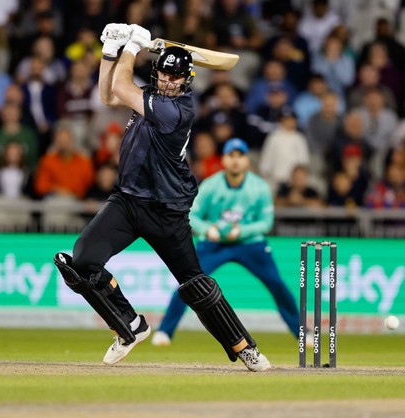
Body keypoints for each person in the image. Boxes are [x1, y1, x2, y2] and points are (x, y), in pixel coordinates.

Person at [53, 23, 271, 372]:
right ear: (156, 74)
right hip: (126, 202)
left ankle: (245, 348)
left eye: (175, 77)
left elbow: (122, 87)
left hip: (167, 209)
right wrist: (110, 52)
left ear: (187, 79)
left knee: (195, 284)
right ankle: (130, 326)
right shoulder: (150, 99)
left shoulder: (176, 110)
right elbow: (110, 95)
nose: (168, 82)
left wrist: (133, 46)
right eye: (164, 75)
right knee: (80, 263)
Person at [152, 137, 304, 347]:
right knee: (188, 285)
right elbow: (193, 216)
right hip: (214, 244)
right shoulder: (211, 186)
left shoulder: (259, 187)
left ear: (247, 161)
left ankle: (302, 333)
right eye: (231, 155)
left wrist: (242, 231)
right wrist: (208, 229)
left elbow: (266, 222)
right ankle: (164, 332)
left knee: (276, 283)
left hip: (250, 244)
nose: (235, 160)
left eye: (240, 156)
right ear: (223, 160)